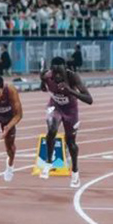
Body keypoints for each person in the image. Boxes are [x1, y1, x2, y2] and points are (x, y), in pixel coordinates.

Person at [39, 56, 93, 187]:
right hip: (55, 106)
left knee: (71, 142)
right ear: (51, 70)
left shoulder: (73, 77)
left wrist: (70, 91)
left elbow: (89, 99)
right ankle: (48, 162)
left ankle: (75, 172)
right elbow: (43, 88)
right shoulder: (47, 76)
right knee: (52, 130)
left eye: (60, 73)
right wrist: (42, 80)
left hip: (71, 111)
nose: (57, 76)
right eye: (55, 73)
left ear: (65, 69)